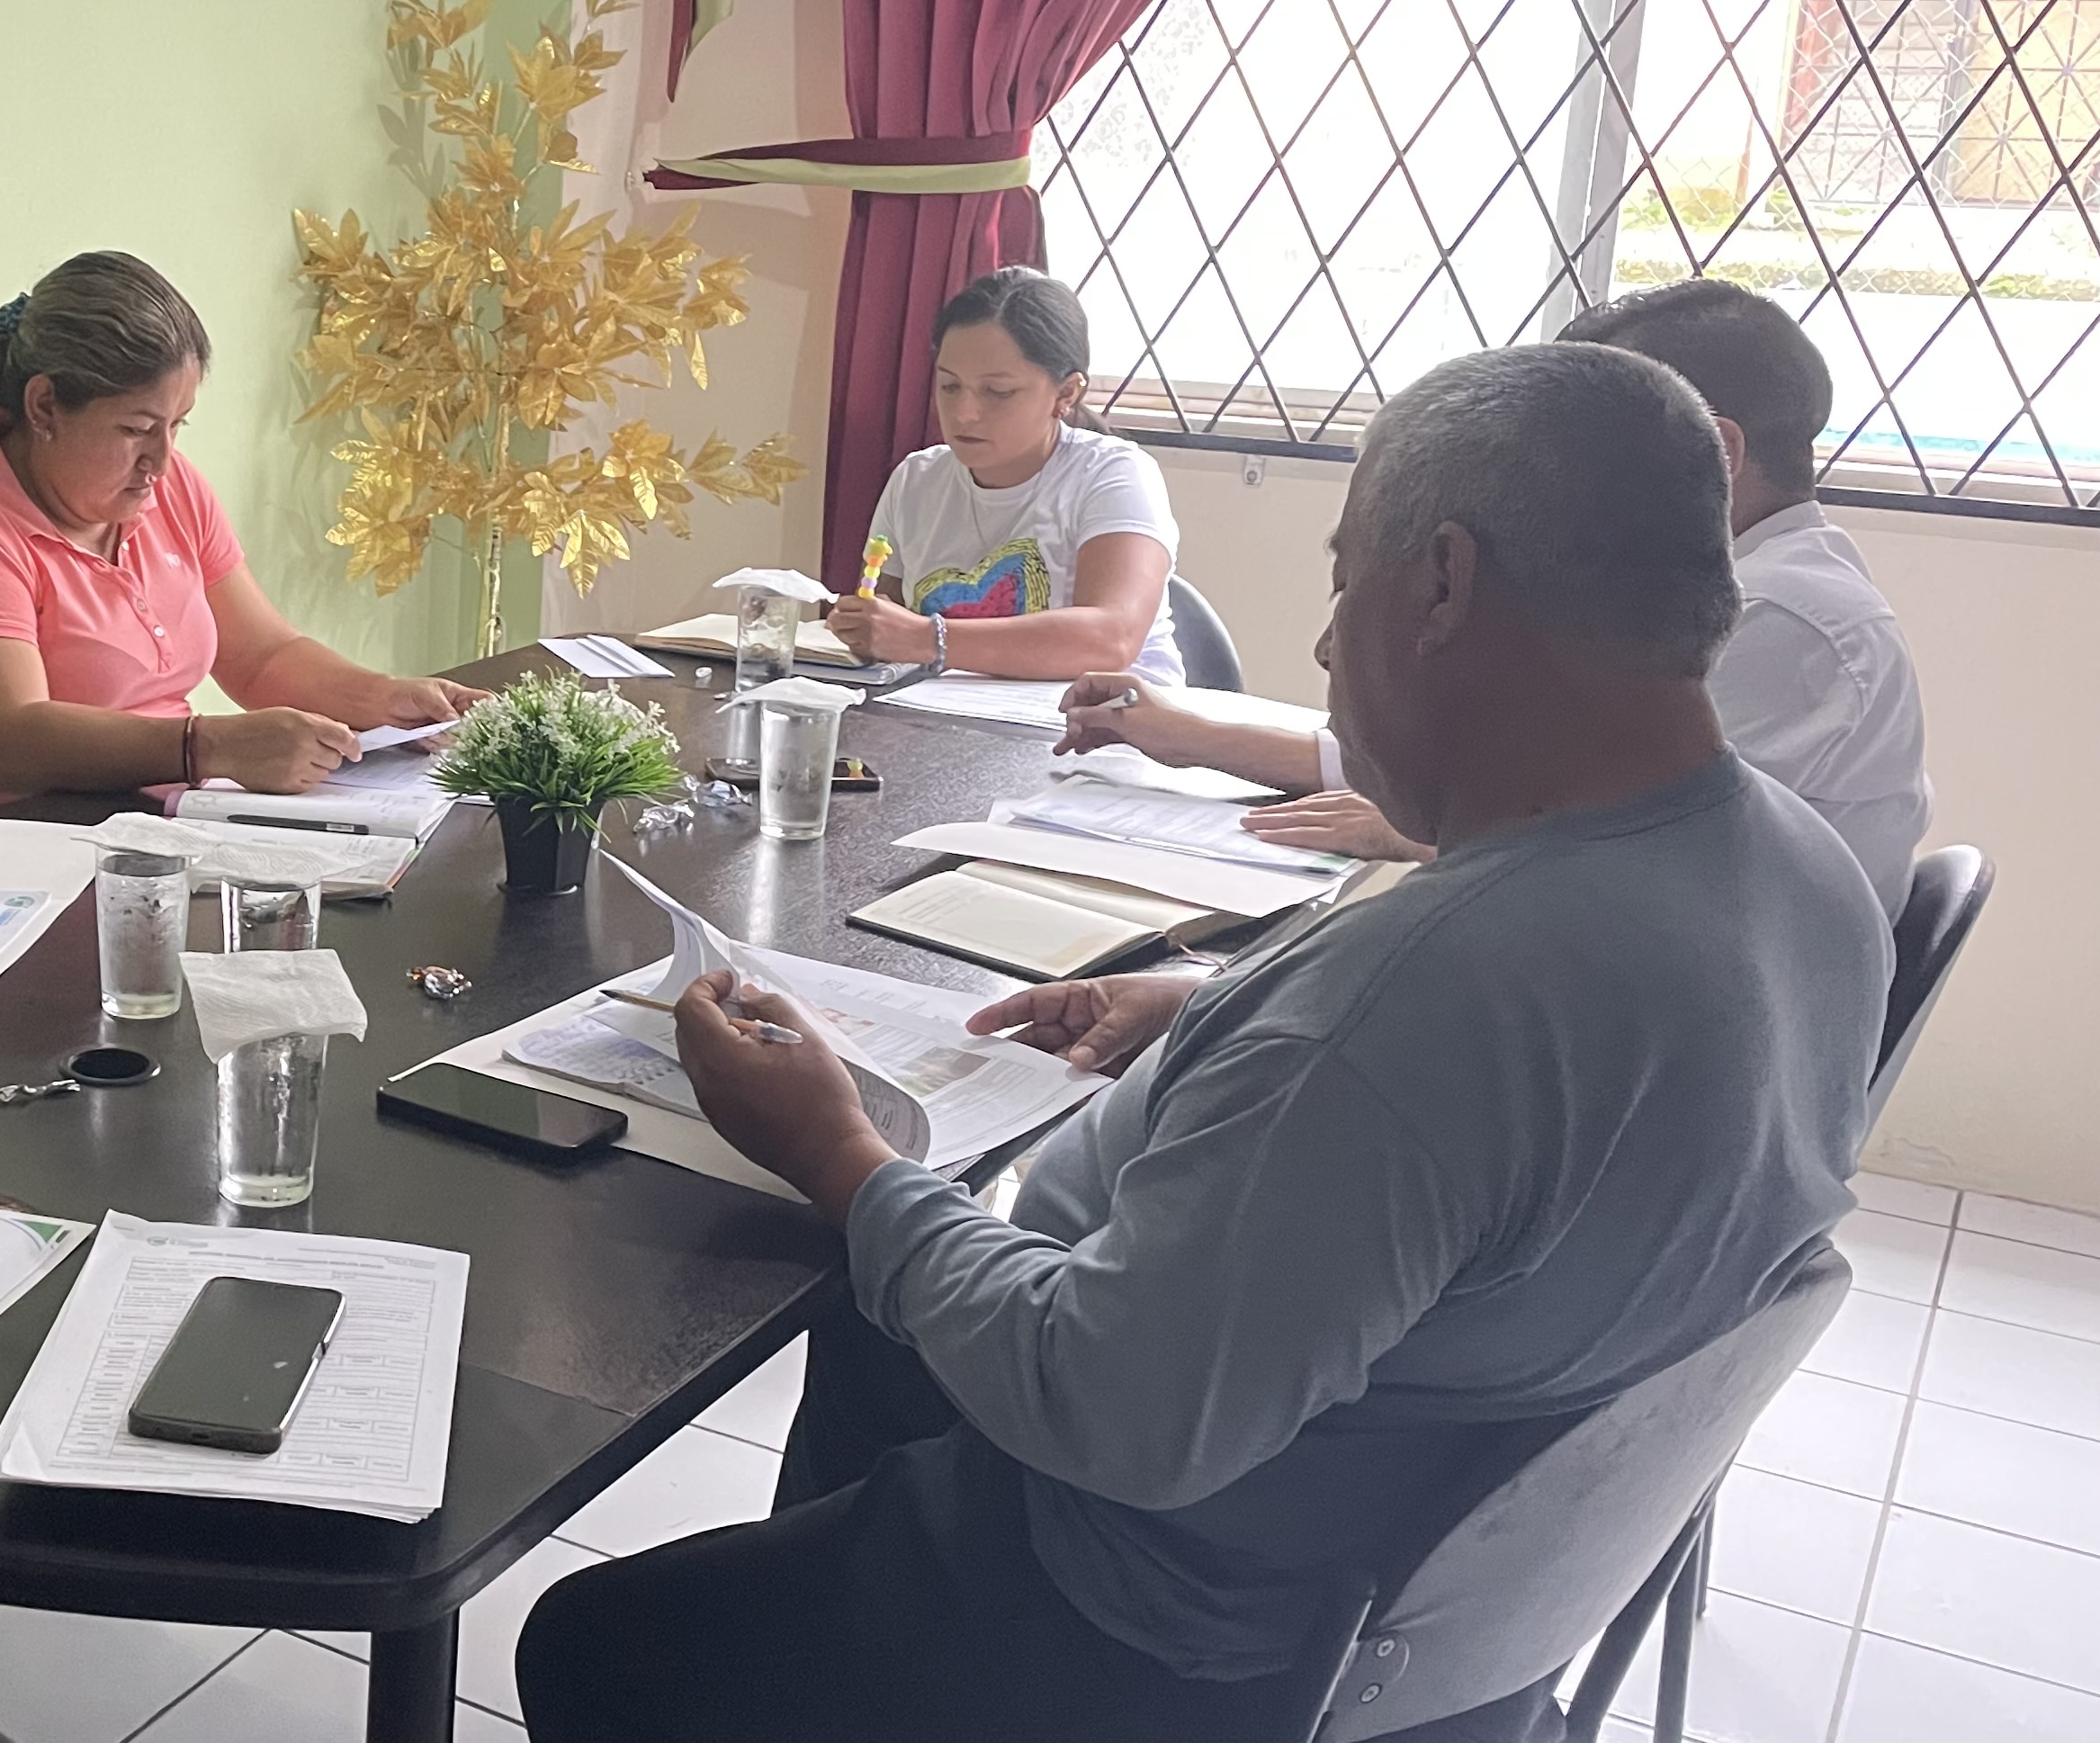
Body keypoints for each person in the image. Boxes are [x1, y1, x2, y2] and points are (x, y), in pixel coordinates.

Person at [513, 346, 1884, 1742]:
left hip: (1148, 1631)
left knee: (598, 1645)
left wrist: (841, 1155)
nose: (1328, 648)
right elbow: (1501, 1124)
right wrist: (1229, 1011)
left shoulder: (1423, 1006)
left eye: (1347, 581)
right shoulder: (1807, 876)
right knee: (875, 1344)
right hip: (1405, 1553)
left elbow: (1114, 1416)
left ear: (1443, 585)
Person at [1063, 279, 1932, 916]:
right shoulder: (1724, 587)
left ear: (1718, 451)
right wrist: (1195, 734)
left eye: (1587, 436)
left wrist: (1409, 832)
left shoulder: (1781, 620)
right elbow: (1483, 763)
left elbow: (1611, 849)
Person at [0, 250, 484, 815]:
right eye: (136, 429)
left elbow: (260, 656)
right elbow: (11, 746)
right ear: (44, 408)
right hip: (1, 847)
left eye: (176, 426)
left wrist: (384, 701)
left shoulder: (168, 489)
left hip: (154, 818)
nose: (162, 462)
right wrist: (207, 747)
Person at [823, 267, 1184, 682]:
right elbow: (890, 629)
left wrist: (928, 639)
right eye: (950, 386)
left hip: (1104, 715)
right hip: (951, 711)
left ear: (1066, 393)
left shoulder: (1113, 474)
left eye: (998, 392)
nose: (964, 413)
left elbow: (1110, 640)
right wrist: (867, 630)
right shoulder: (916, 480)